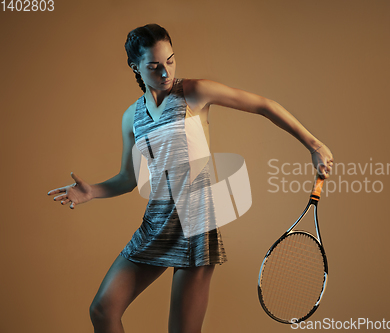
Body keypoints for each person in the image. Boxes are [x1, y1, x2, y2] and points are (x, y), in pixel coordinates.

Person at [47, 23, 334, 333]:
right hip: (156, 222)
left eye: (170, 60)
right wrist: (91, 192)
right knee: (103, 310)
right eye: (154, 66)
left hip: (197, 220)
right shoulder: (132, 117)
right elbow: (128, 179)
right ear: (135, 66)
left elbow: (264, 105)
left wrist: (314, 145)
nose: (165, 72)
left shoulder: (194, 92)